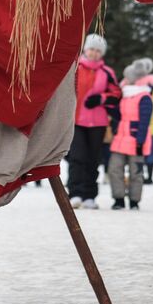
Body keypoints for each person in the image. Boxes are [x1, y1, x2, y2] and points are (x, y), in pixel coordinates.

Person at [67, 34, 120, 210]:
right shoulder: (74, 67)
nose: (94, 53)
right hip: (76, 120)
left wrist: (101, 99)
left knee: (92, 159)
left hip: (98, 123)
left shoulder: (107, 72)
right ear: (85, 49)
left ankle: (90, 195)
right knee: (76, 158)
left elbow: (117, 94)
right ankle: (75, 193)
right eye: (91, 49)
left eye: (98, 51)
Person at [108, 59, 153, 210]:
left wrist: (140, 141)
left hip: (136, 140)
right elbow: (120, 115)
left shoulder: (144, 97)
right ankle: (119, 199)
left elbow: (144, 121)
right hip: (120, 138)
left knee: (136, 172)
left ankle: (134, 201)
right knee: (114, 169)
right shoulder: (126, 95)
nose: (124, 80)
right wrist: (107, 106)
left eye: (127, 77)